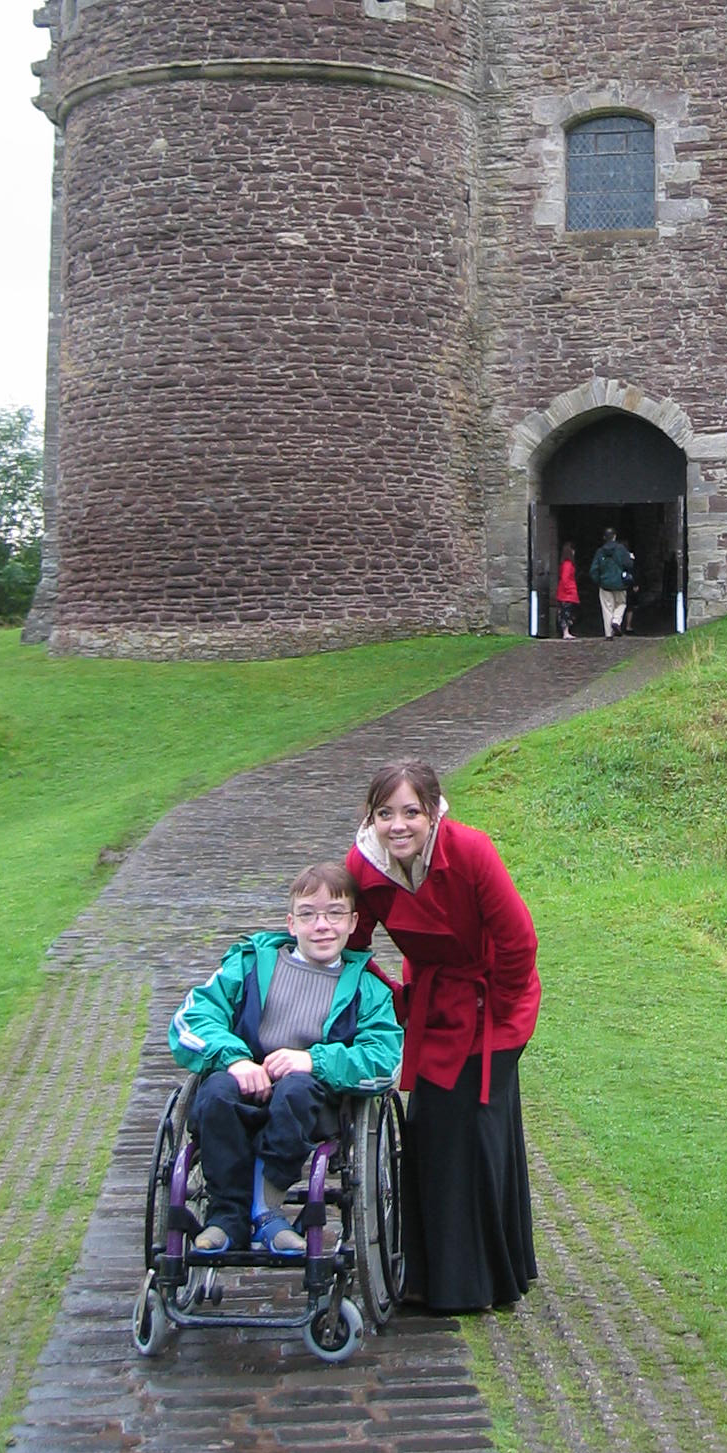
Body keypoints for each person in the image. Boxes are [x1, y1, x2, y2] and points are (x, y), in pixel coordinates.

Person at [347, 759, 539, 1312]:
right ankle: (436, 1272)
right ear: (371, 818)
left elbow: (518, 940)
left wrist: (496, 1012)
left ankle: (480, 1281)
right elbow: (351, 946)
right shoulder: (365, 867)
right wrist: (394, 997)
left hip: (497, 1001)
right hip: (435, 1003)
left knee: (477, 1122)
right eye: (385, 813)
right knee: (430, 1123)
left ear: (434, 812)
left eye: (411, 811)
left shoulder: (471, 851)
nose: (398, 825)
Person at [169, 860, 402, 1254]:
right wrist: (236, 1059)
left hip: (313, 1096)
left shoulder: (367, 989)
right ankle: (227, 1215)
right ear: (291, 923)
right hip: (246, 1079)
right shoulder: (249, 965)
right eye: (308, 915)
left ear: (352, 922)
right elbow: (191, 1019)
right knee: (215, 1094)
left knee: (295, 1090)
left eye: (334, 914)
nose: (322, 925)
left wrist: (315, 1061)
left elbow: (384, 1058)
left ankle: (267, 1209)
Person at [589, 526, 635, 639]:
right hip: (620, 583)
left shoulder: (600, 552)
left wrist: (599, 581)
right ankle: (616, 621)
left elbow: (593, 570)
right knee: (621, 604)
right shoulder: (621, 549)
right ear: (615, 536)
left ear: (604, 537)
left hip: (605, 584)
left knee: (607, 609)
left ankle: (609, 634)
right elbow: (629, 565)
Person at [555, 542, 580, 638]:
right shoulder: (568, 564)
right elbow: (565, 579)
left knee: (566, 612)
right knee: (566, 613)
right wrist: (569, 590)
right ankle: (566, 632)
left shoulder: (565, 564)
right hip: (567, 593)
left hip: (566, 592)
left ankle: (566, 632)